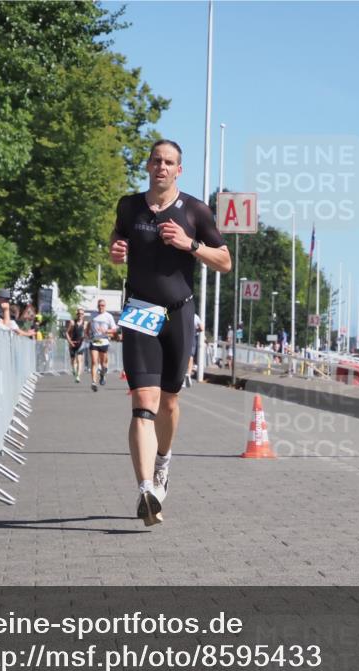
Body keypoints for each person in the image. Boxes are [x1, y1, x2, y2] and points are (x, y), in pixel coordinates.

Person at [109, 139, 231, 526]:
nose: (161, 166)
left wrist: (190, 244)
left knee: (170, 402)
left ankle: (163, 462)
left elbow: (225, 261)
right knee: (143, 402)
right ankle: (146, 489)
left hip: (179, 313)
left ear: (180, 170)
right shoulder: (129, 206)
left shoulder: (196, 210)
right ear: (147, 165)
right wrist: (115, 251)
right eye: (156, 160)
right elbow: (118, 239)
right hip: (140, 311)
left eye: (170, 162)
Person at [89, 298, 117, 392]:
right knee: (94, 361)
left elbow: (114, 329)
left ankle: (102, 374)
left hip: (104, 341)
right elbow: (89, 325)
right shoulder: (93, 315)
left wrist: (106, 331)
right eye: (99, 305)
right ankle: (93, 382)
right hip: (95, 340)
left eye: (103, 305)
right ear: (97, 306)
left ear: (105, 306)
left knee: (103, 364)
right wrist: (87, 333)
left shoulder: (108, 316)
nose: (101, 307)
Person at [66, 309, 88, 383]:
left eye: (82, 314)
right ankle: (74, 371)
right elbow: (66, 333)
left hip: (81, 343)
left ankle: (78, 376)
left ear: (83, 315)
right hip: (72, 343)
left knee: (79, 360)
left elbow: (86, 333)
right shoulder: (72, 322)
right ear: (77, 314)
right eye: (79, 314)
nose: (80, 315)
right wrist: (70, 342)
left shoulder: (85, 323)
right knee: (73, 361)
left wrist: (85, 337)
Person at [183, 312, 204, 389]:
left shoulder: (184, 314)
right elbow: (202, 328)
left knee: (184, 356)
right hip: (192, 338)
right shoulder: (196, 317)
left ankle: (183, 375)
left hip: (184, 337)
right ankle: (188, 373)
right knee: (191, 356)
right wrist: (195, 331)